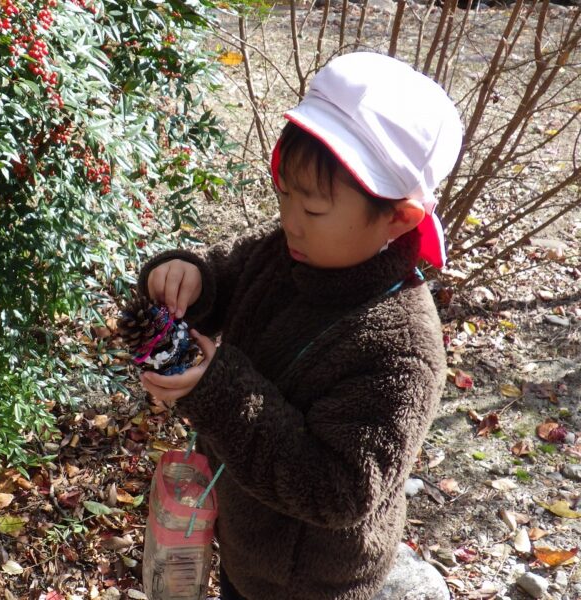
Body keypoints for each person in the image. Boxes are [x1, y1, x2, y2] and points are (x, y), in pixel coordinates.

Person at [137, 52, 462, 600]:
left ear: (399, 217)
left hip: (312, 582)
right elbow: (225, 279)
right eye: (283, 195)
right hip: (243, 543)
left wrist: (218, 392)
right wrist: (186, 278)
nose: (289, 220)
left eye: (312, 210)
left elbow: (337, 490)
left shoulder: (399, 348)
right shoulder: (288, 252)